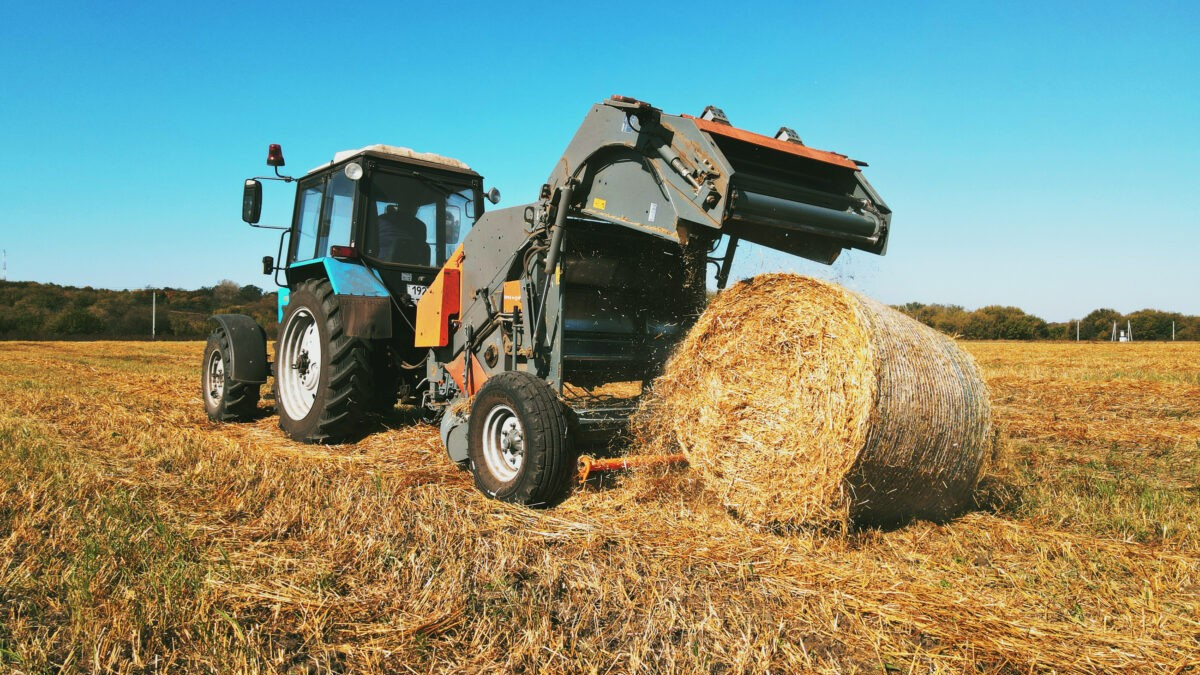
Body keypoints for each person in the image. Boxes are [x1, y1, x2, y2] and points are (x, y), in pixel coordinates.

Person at [377, 201, 430, 265]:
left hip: (378, 262)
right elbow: (421, 249)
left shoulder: (380, 219)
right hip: (410, 265)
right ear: (414, 208)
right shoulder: (420, 226)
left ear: (399, 206)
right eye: (416, 207)